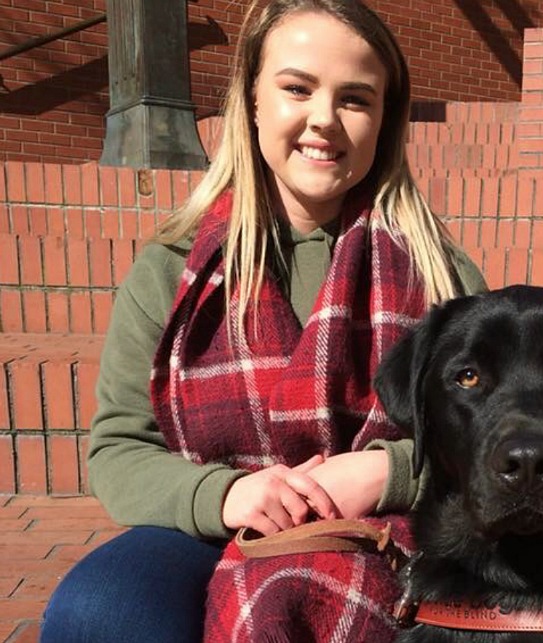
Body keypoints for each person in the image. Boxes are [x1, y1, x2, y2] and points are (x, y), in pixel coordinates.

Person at [41, 0, 485, 641]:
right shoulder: (171, 270)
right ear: (251, 101)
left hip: (398, 520)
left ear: (385, 120)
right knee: (101, 612)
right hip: (217, 524)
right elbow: (119, 451)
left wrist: (388, 471)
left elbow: (494, 432)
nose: (324, 120)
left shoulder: (441, 276)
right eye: (297, 88)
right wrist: (224, 495)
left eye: (356, 98)